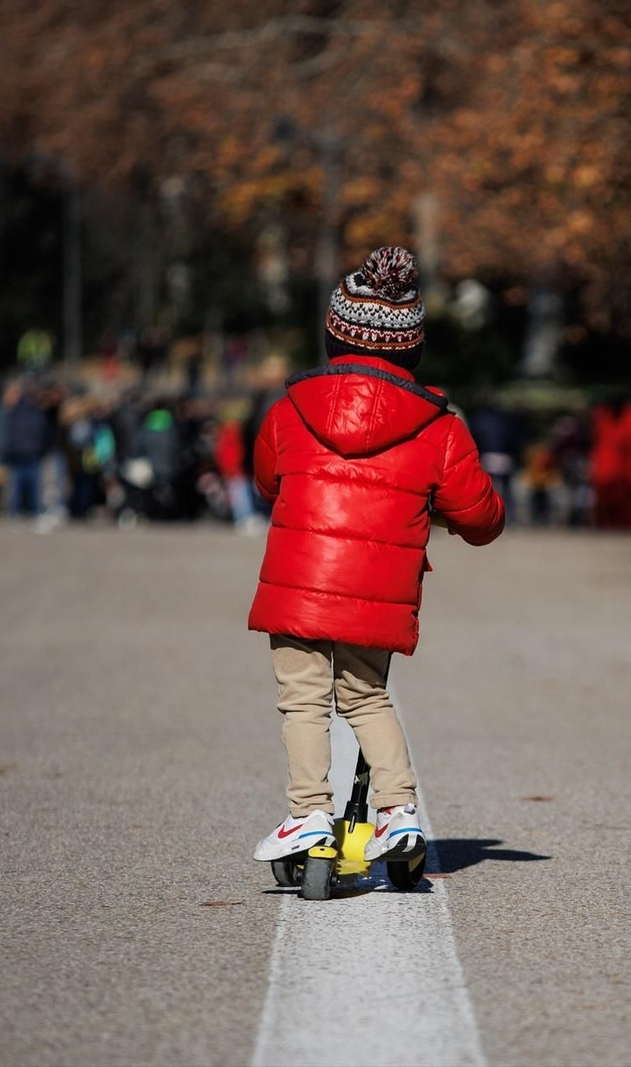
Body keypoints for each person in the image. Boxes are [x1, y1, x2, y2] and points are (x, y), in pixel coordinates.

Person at [247, 246, 505, 866]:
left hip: (299, 581)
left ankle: (308, 813)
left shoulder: (288, 411)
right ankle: (398, 812)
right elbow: (481, 518)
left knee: (304, 700)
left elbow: (265, 481)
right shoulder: (439, 426)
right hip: (378, 588)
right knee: (365, 696)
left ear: (336, 334)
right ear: (411, 346)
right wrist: (433, 508)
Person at [0, 379, 48, 518]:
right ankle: (18, 513)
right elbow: (7, 434)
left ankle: (30, 512)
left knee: (32, 489)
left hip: (30, 454)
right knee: (16, 489)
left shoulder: (33, 411)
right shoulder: (11, 412)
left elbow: (41, 433)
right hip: (19, 456)